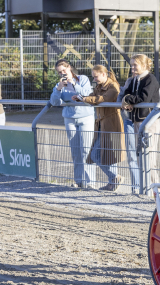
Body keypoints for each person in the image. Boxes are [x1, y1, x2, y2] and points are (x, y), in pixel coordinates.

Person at [75, 65, 125, 191]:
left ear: (103, 74)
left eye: (96, 76)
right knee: (102, 154)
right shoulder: (99, 86)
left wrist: (85, 99)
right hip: (101, 123)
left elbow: (103, 99)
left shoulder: (113, 86)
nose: (94, 79)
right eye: (93, 77)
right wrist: (81, 98)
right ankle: (113, 180)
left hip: (111, 123)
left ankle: (114, 178)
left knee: (101, 154)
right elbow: (93, 96)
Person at [50, 59, 95, 188]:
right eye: (59, 72)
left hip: (85, 117)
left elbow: (87, 94)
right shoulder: (59, 85)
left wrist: (73, 83)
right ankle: (79, 181)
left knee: (86, 150)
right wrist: (58, 89)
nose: (62, 73)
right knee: (75, 151)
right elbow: (54, 102)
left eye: (64, 70)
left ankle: (90, 182)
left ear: (69, 67)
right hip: (70, 119)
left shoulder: (82, 79)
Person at [121, 54, 160, 194]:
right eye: (131, 65)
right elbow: (126, 94)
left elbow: (143, 97)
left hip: (149, 121)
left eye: (135, 65)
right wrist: (128, 100)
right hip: (137, 120)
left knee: (149, 156)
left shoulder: (150, 79)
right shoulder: (134, 80)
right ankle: (145, 188)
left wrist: (129, 100)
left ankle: (155, 190)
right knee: (140, 157)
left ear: (144, 66)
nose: (132, 68)